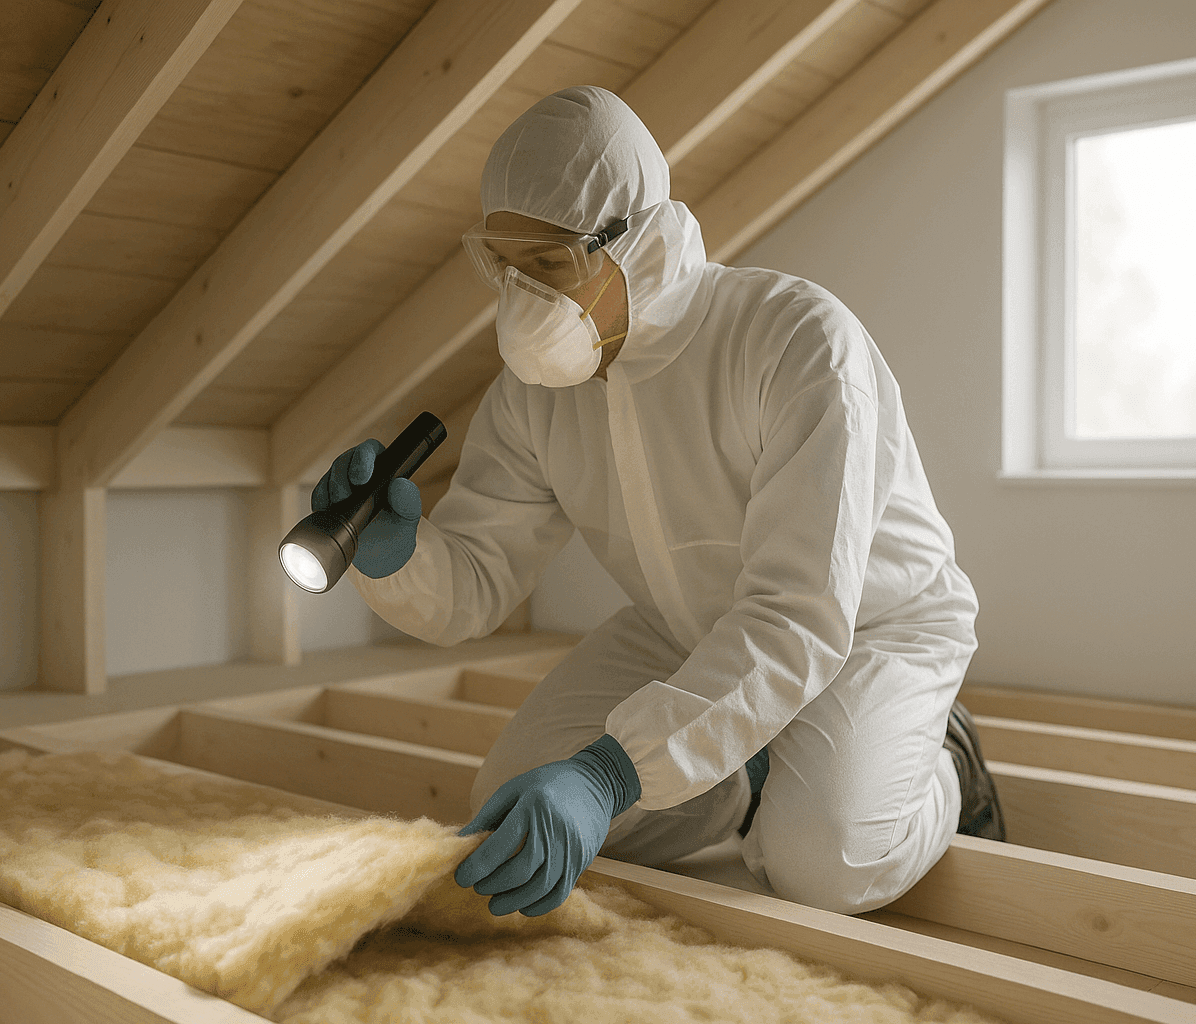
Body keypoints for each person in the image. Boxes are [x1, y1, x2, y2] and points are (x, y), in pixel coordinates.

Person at [312, 86, 1003, 919]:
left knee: (826, 864)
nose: (522, 299)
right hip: (684, 625)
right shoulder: (535, 395)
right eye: (505, 265)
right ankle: (740, 772)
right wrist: (398, 557)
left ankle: (947, 764)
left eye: (549, 265)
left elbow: (797, 616)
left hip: (867, 628)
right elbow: (480, 577)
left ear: (634, 242)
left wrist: (610, 774)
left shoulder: (796, 343)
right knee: (510, 802)